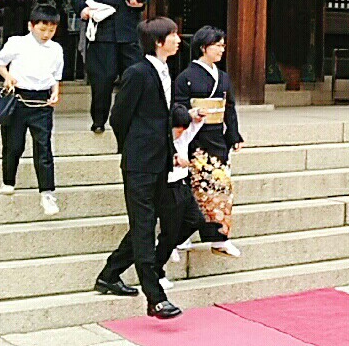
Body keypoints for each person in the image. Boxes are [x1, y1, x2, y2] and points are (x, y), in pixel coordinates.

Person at [94, 16, 182, 320]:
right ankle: (155, 297)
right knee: (144, 226)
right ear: (158, 41)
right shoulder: (137, 72)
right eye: (173, 35)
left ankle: (109, 274)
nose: (178, 39)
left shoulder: (165, 71)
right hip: (140, 163)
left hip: (161, 160)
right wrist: (134, 147)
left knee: (163, 219)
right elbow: (118, 116)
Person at [171, 26, 243, 258]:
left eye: (223, 46)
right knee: (195, 191)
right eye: (217, 45)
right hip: (195, 140)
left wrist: (234, 135)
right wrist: (190, 114)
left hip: (217, 139)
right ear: (203, 47)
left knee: (222, 190)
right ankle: (181, 236)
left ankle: (220, 238)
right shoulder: (186, 77)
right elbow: (178, 107)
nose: (222, 50)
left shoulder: (223, 77)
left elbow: (229, 108)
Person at [74, 0, 151, 134]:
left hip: (129, 26)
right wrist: (83, 9)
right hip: (103, 25)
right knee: (103, 77)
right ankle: (99, 119)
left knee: (133, 75)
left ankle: (128, 118)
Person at [0, 4, 65, 216]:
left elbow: (56, 76)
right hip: (18, 99)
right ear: (31, 26)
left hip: (42, 102)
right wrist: (8, 77)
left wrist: (55, 92)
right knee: (13, 144)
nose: (46, 34)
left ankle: (47, 192)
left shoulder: (56, 49)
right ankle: (8, 180)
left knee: (44, 148)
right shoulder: (17, 43)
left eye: (51, 30)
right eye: (42, 29)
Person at [154, 104, 220, 292]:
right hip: (166, 187)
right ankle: (157, 271)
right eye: (178, 129)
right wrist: (175, 160)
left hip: (182, 186)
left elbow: (193, 127)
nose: (181, 134)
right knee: (169, 232)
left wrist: (197, 115)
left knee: (195, 220)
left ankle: (163, 248)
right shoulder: (159, 136)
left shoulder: (182, 136)